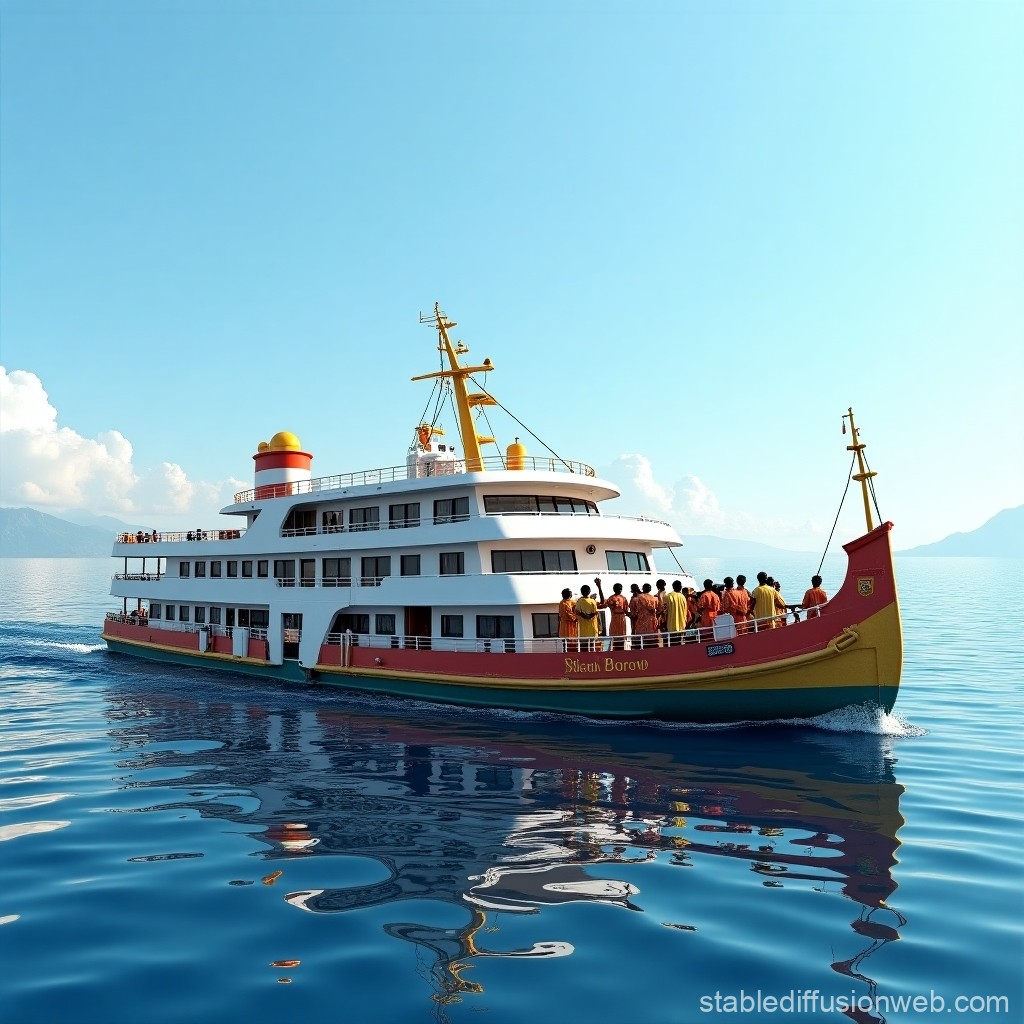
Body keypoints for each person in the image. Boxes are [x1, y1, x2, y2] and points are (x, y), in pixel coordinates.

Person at [594, 578, 630, 650]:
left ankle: (621, 652)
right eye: (618, 588)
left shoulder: (623, 598)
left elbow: (626, 610)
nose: (619, 590)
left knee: (622, 637)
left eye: (620, 589)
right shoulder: (612, 598)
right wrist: (599, 587)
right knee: (615, 638)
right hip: (615, 618)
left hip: (622, 619)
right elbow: (602, 605)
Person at [631, 583, 661, 649]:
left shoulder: (637, 599)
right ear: (650, 589)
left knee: (641, 643)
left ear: (643, 589)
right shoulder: (655, 599)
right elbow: (660, 611)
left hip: (641, 623)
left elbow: (633, 614)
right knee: (652, 644)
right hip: (652, 623)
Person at [575, 585, 601, 652]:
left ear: (581, 592)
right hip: (592, 630)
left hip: (582, 631)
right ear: (589, 591)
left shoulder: (579, 601)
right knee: (592, 648)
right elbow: (595, 613)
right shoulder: (593, 601)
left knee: (583, 649)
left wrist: (584, 615)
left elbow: (577, 611)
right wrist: (588, 616)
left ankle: (584, 662)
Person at [662, 580, 688, 646]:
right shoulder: (683, 597)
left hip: (671, 626)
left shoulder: (668, 596)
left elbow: (663, 608)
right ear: (681, 587)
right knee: (680, 645)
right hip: (682, 625)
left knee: (672, 645)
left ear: (673, 587)